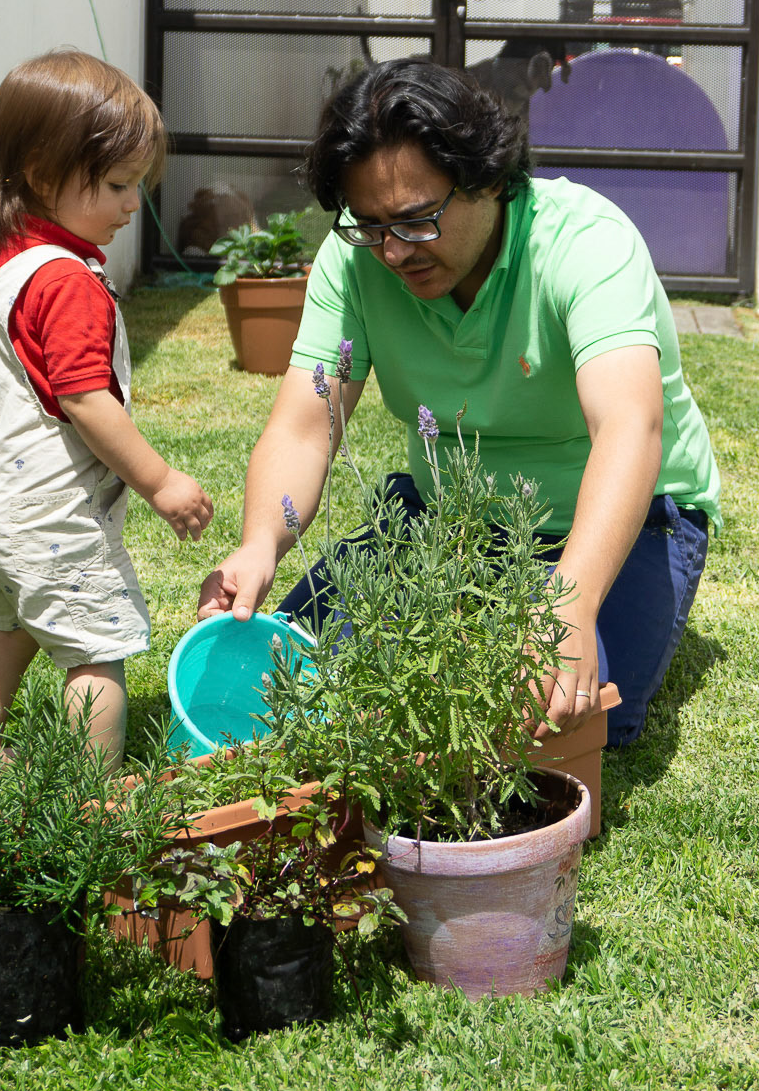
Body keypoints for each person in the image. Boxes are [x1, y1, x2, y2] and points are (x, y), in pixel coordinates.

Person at [198, 58, 718, 747]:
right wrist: (260, 545)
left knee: (570, 713)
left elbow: (627, 429)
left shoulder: (586, 243)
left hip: (623, 515)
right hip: (447, 514)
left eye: (416, 220)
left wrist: (566, 609)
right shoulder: (352, 259)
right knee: (297, 677)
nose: (390, 251)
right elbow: (303, 430)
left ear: (491, 179)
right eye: (369, 223)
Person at [0, 48, 213, 762]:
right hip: (48, 516)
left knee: (11, 631)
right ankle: (94, 794)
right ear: (45, 177)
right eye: (117, 184)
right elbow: (85, 399)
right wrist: (161, 482)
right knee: (96, 647)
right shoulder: (65, 283)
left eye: (136, 184)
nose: (130, 203)